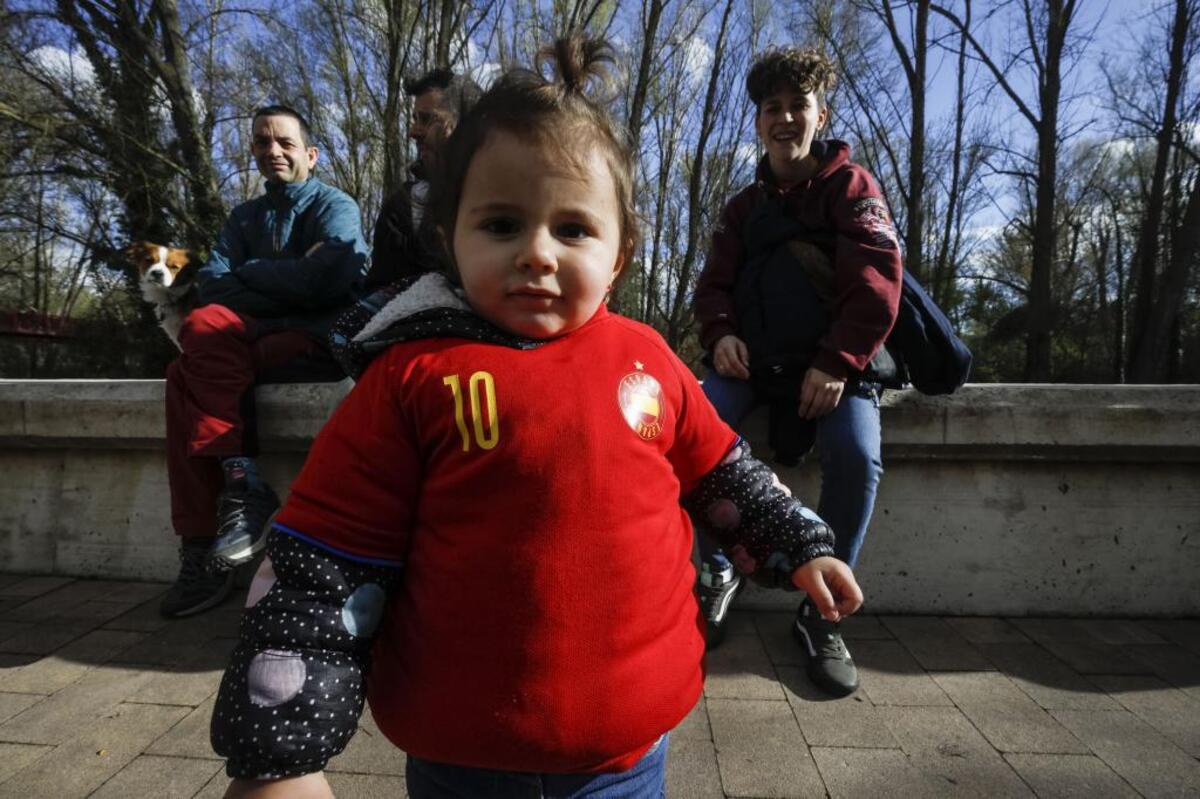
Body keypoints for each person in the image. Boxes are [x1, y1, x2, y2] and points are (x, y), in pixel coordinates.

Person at [210, 37, 863, 799]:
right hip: (464, 760)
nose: (537, 254)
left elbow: (724, 472)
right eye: (501, 225)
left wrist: (797, 544)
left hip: (628, 756)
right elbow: (318, 566)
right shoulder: (412, 376)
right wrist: (280, 753)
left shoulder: (648, 361)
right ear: (450, 241)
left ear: (619, 255)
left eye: (574, 229)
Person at [692, 48, 902, 698]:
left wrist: (837, 361)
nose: (785, 118)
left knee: (856, 454)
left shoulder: (852, 188)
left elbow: (877, 284)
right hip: (756, 363)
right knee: (690, 426)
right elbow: (713, 285)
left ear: (820, 114)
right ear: (758, 121)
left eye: (797, 106)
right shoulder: (743, 207)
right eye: (772, 108)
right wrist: (721, 332)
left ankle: (821, 609)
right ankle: (716, 569)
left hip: (838, 366)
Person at [160, 104, 369, 619]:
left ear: (311, 154)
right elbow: (211, 284)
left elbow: (329, 279)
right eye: (261, 142)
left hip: (310, 341)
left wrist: (250, 275)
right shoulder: (244, 216)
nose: (272, 151)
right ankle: (235, 494)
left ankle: (209, 543)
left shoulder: (334, 205)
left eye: (284, 143)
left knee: (188, 369)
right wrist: (287, 278)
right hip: (250, 340)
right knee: (193, 349)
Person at [366, 68, 481, 288]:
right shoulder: (403, 207)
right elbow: (381, 296)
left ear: (467, 124)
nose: (413, 131)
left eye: (428, 120)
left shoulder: (509, 194)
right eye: (415, 119)